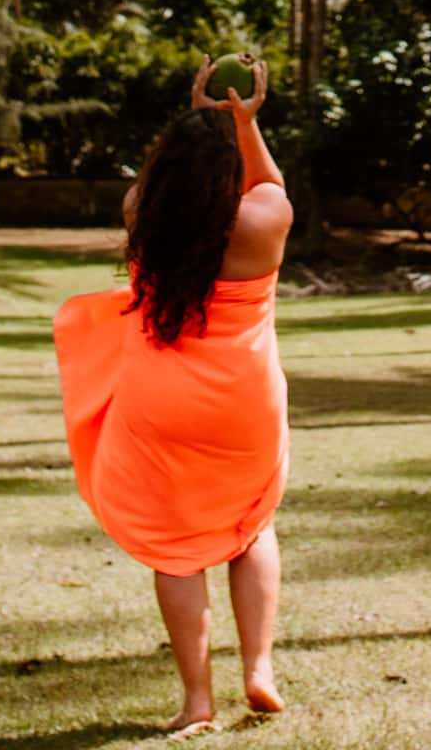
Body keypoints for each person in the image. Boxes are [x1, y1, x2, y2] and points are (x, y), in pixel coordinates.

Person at [54, 55, 294, 735]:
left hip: (160, 399)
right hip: (244, 399)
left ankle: (197, 701)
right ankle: (259, 670)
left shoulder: (144, 213)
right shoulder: (262, 218)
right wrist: (243, 123)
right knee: (252, 526)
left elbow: (155, 188)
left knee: (175, 547)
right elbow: (270, 181)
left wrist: (193, 122)